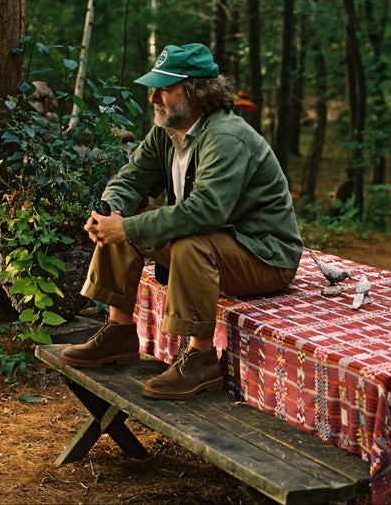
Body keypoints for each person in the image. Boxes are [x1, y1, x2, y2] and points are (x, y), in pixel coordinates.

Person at [59, 43, 303, 400]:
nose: (154, 97)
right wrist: (108, 210)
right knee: (124, 220)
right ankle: (119, 332)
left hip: (266, 257)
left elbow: (206, 211)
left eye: (165, 89)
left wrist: (125, 227)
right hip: (222, 244)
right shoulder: (167, 130)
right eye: (153, 88)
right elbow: (132, 178)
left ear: (197, 93)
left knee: (188, 241)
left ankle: (201, 359)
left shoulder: (226, 137)